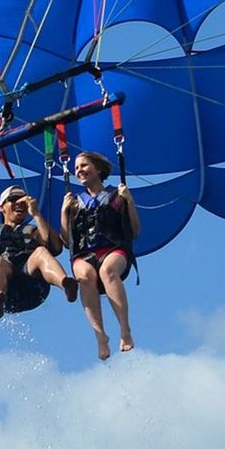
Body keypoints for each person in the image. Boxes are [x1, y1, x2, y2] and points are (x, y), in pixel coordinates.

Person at [61, 150, 138, 359]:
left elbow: (134, 230)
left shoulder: (116, 197)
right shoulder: (75, 202)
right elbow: (66, 239)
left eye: (84, 166)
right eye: (76, 168)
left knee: (107, 271)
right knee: (85, 276)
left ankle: (125, 330)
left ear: (98, 169)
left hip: (113, 249)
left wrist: (129, 202)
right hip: (84, 253)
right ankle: (101, 337)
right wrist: (64, 212)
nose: (79, 171)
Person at [0, 184, 78, 319]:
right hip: (6, 289)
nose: (19, 203)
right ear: (2, 207)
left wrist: (36, 213)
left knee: (41, 251)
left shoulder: (34, 231)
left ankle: (65, 284)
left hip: (32, 285)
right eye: (13, 199)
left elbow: (56, 248)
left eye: (23, 201)